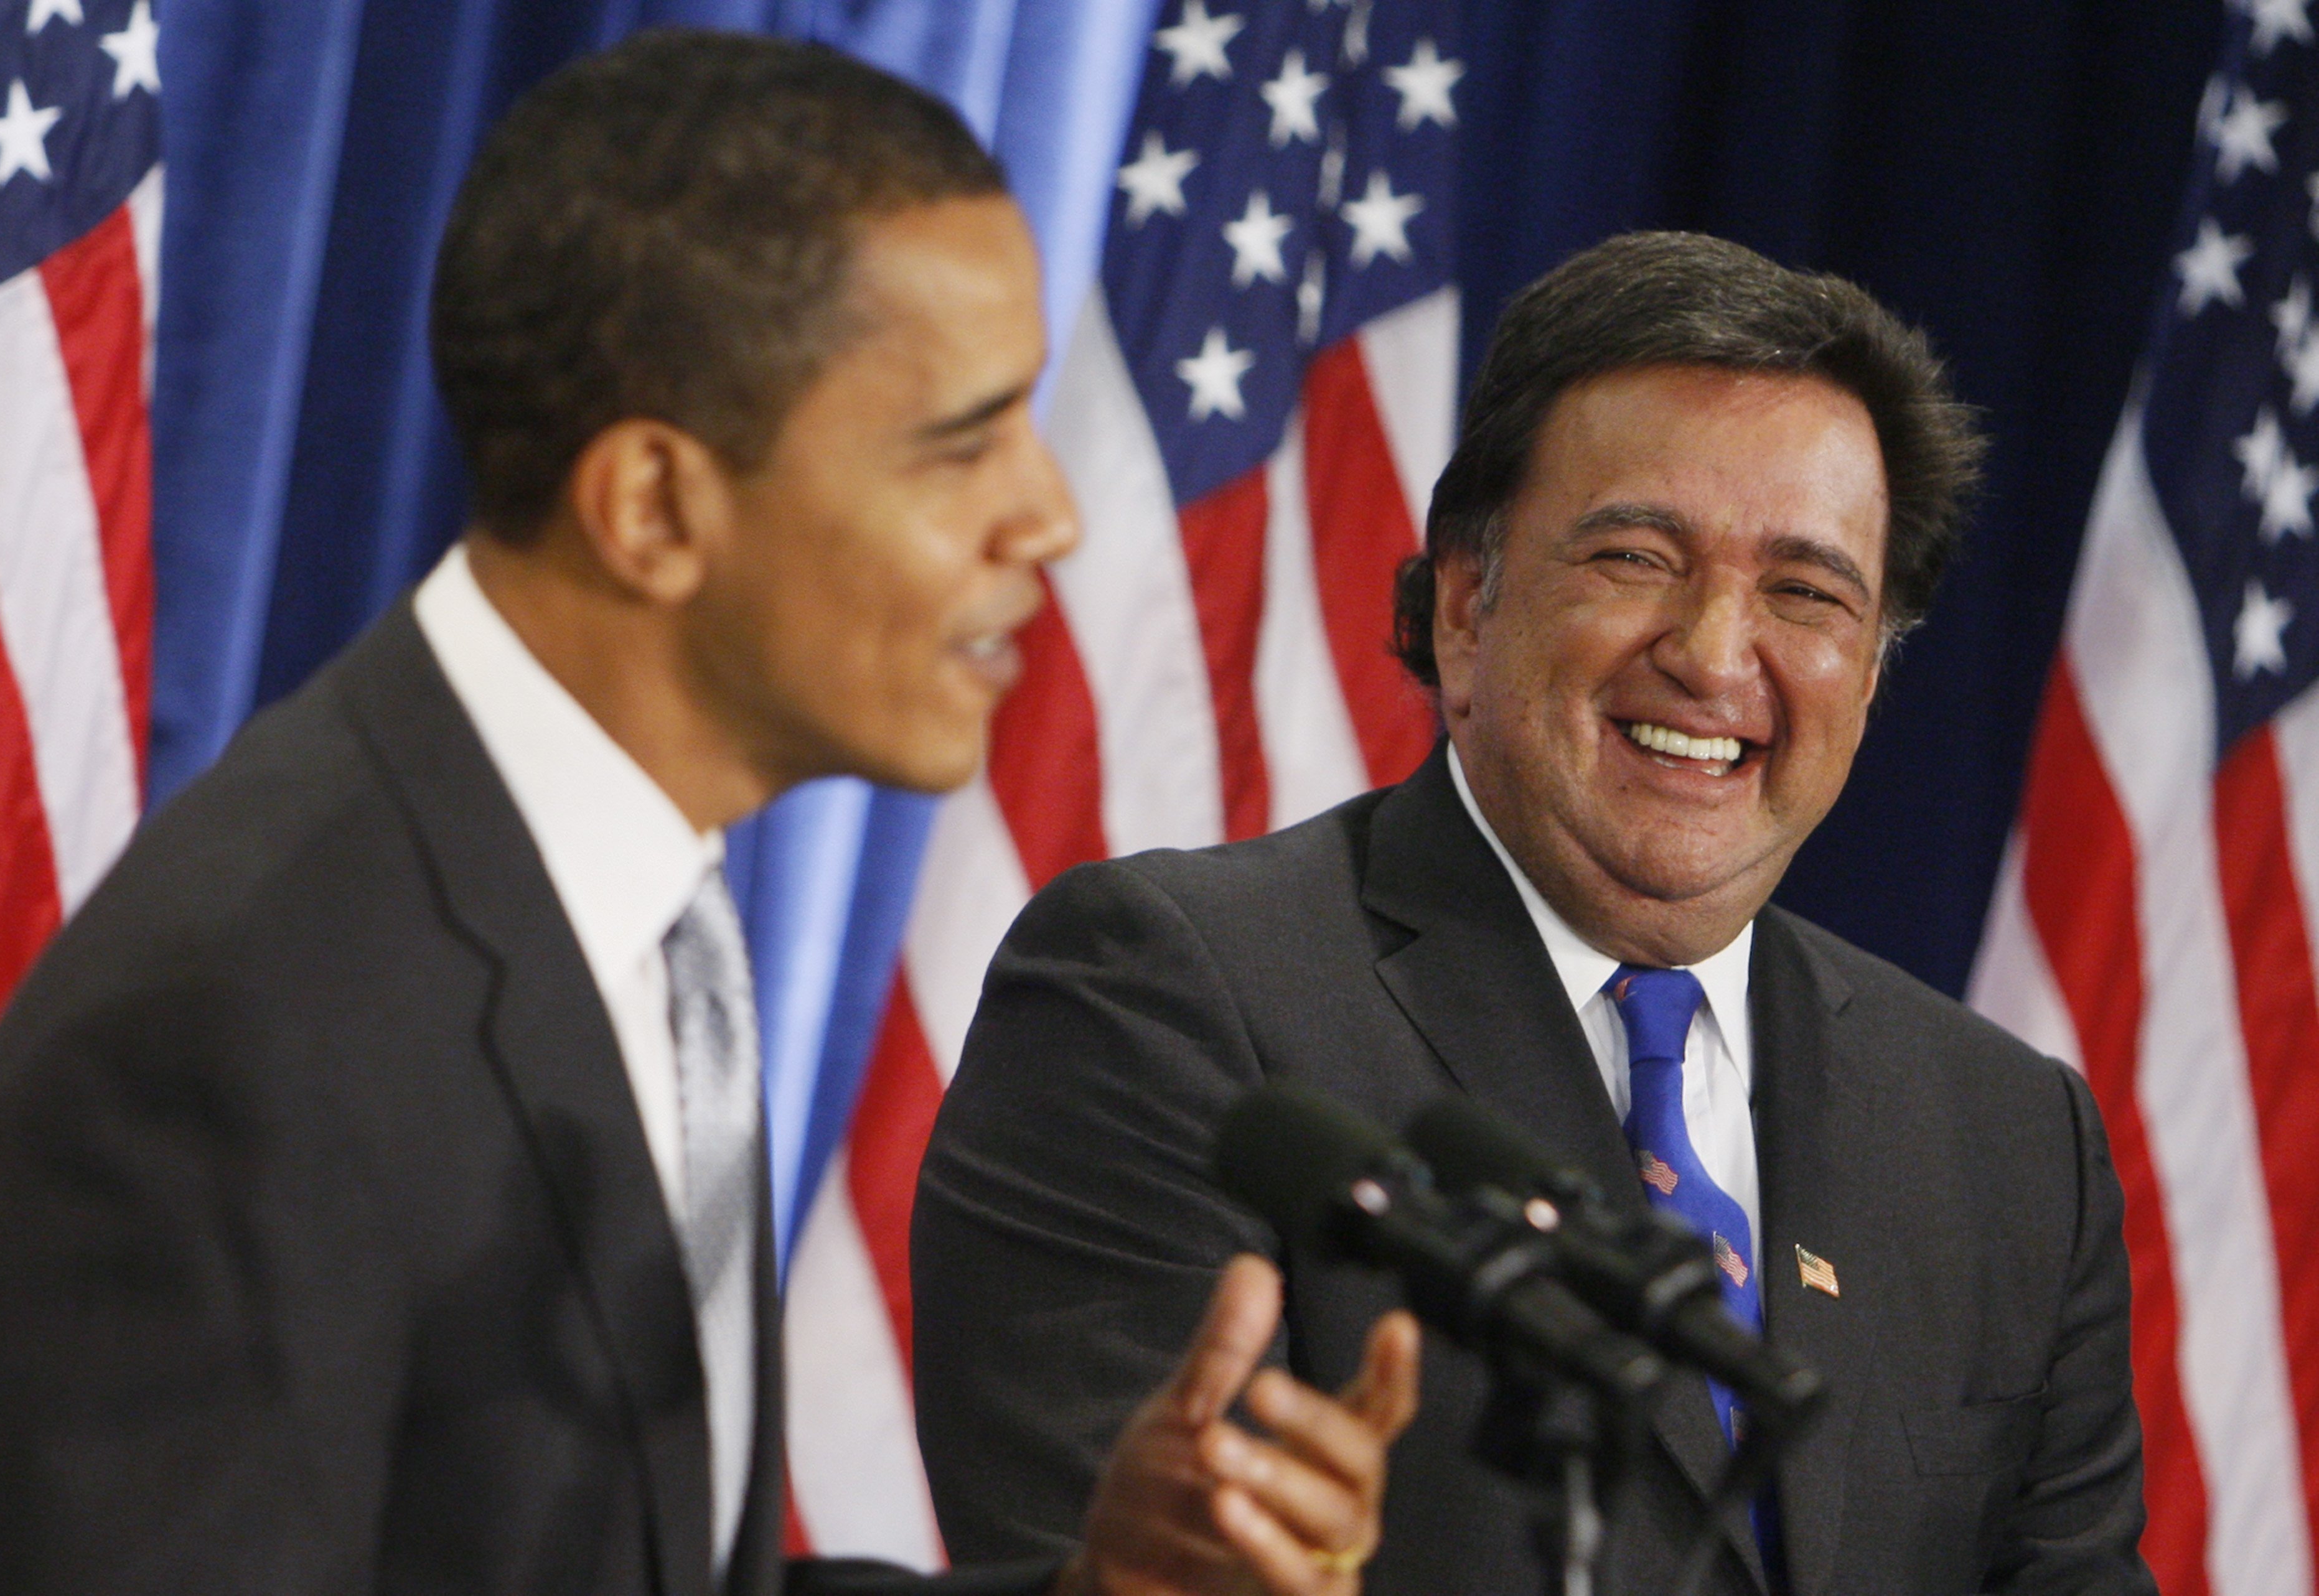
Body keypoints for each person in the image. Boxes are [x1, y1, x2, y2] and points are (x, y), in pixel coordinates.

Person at [0, 31, 1420, 1596]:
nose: (1050, 516)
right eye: (961, 446)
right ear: (655, 506)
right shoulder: (241, 1033)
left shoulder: (630, 907)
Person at [912, 231, 2154, 1595]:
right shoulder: (1167, 995)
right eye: (1635, 556)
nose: (1712, 652)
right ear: (1463, 604)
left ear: (1867, 674)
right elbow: (1112, 1568)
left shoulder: (2007, 1135)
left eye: (1804, 593)